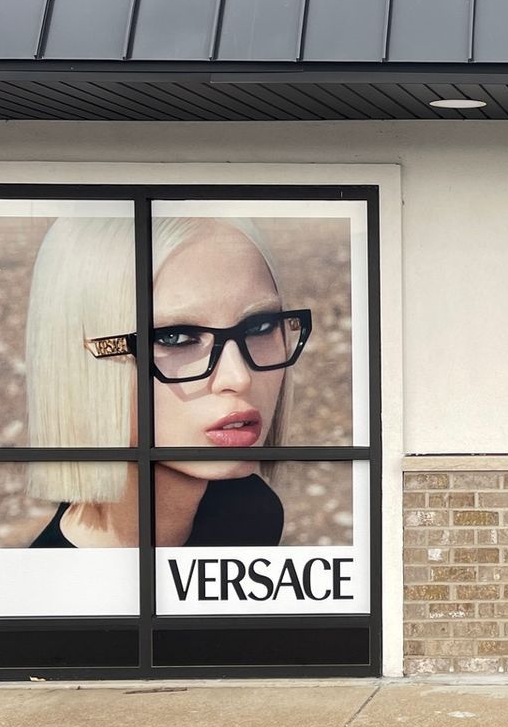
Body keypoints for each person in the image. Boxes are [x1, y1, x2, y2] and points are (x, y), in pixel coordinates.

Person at [22, 215, 310, 549]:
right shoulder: (58, 590)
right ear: (80, 360)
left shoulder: (249, 510)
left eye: (260, 326)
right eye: (175, 337)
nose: (239, 377)